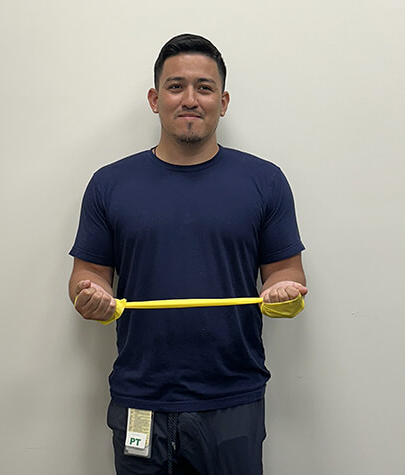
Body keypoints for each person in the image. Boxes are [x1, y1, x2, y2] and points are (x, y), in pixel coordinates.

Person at [68, 33, 307, 475]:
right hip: (141, 397)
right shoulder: (110, 184)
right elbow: (87, 277)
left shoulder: (265, 181)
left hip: (233, 396)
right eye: (176, 86)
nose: (190, 99)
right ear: (155, 99)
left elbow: (287, 275)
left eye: (204, 87)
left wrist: (282, 291)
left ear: (224, 100)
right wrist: (93, 295)